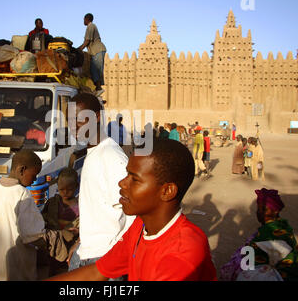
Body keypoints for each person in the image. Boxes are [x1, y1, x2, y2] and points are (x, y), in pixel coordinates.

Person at [47, 139, 217, 281]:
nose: (122, 183)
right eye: (126, 174)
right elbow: (97, 271)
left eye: (134, 179)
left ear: (167, 191)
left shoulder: (183, 251)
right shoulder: (140, 227)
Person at [67, 93, 135, 278]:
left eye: (79, 119)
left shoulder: (112, 157)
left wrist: (114, 258)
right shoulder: (92, 152)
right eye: (69, 120)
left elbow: (133, 214)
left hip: (105, 259)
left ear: (96, 117)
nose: (73, 126)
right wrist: (81, 242)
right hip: (85, 253)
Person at [220, 188, 298, 281]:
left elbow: (250, 256)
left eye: (264, 209)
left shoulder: (267, 233)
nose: (259, 212)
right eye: (258, 209)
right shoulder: (282, 224)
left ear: (276, 211)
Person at [0, 149, 44, 281]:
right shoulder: (23, 193)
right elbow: (32, 234)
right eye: (34, 175)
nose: (34, 180)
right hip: (17, 268)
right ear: (22, 170)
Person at [41, 167, 80, 276]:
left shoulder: (80, 205)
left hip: (72, 244)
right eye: (62, 189)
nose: (65, 192)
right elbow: (44, 219)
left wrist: (78, 231)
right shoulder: (52, 203)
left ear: (76, 187)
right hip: (54, 245)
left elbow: (84, 224)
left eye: (69, 189)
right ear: (57, 186)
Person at [78, 13, 107, 96]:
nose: (83, 21)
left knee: (95, 69)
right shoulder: (91, 27)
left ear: (87, 19)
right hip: (95, 51)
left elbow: (87, 41)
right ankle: (98, 88)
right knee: (94, 69)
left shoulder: (91, 26)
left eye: (84, 19)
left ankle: (99, 88)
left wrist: (79, 49)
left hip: (97, 50)